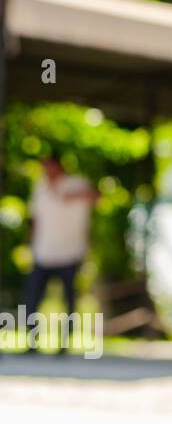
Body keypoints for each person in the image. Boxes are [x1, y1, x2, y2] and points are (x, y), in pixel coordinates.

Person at [23, 152, 99, 355]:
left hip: (70, 252)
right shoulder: (40, 189)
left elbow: (96, 196)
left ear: (59, 166)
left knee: (69, 301)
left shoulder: (76, 183)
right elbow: (35, 219)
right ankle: (32, 344)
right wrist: (30, 245)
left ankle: (65, 344)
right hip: (43, 252)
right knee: (33, 300)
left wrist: (70, 196)